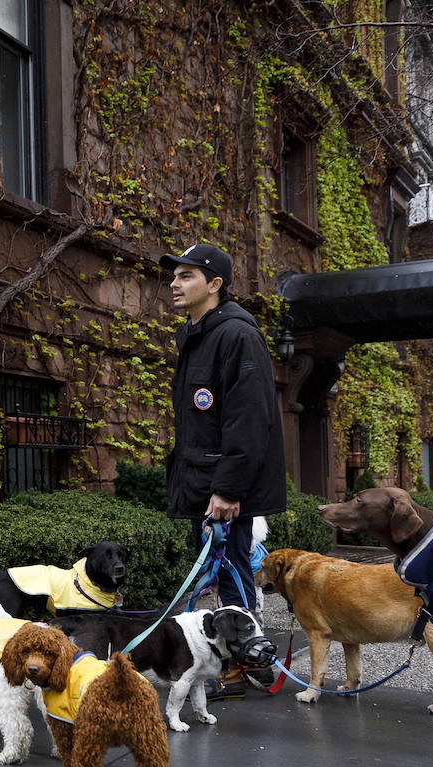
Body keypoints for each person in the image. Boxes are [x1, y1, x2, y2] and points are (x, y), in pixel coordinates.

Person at [160, 244, 286, 701]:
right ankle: (221, 663)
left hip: (224, 491)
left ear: (214, 285)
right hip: (202, 484)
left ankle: (239, 666)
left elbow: (248, 421)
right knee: (212, 576)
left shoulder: (237, 336)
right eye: (174, 275)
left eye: (187, 275)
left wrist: (228, 489)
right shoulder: (194, 336)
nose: (175, 283)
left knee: (231, 575)